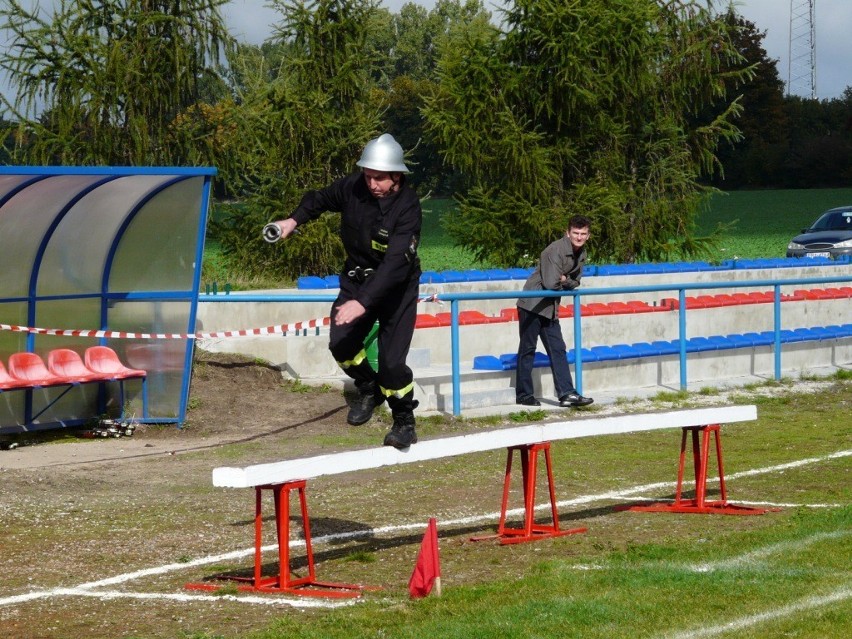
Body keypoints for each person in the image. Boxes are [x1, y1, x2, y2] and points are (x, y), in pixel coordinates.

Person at [267, 134, 422, 449]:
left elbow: (394, 264)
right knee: (341, 343)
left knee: (392, 364)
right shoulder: (354, 187)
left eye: (378, 178)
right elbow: (319, 198)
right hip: (357, 279)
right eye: (367, 175)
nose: (371, 183)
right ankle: (368, 388)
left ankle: (404, 421)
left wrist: (363, 303)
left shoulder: (407, 208)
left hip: (396, 289)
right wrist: (292, 221)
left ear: (396, 176)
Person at [515, 215, 594, 408]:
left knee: (558, 349)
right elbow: (551, 283)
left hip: (549, 307)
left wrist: (565, 280)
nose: (579, 237)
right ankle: (524, 395)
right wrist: (567, 281)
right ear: (567, 233)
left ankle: (567, 394)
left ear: (588, 235)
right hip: (532, 304)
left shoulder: (581, 253)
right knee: (528, 348)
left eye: (583, 234)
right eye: (575, 233)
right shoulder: (554, 250)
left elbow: (576, 282)